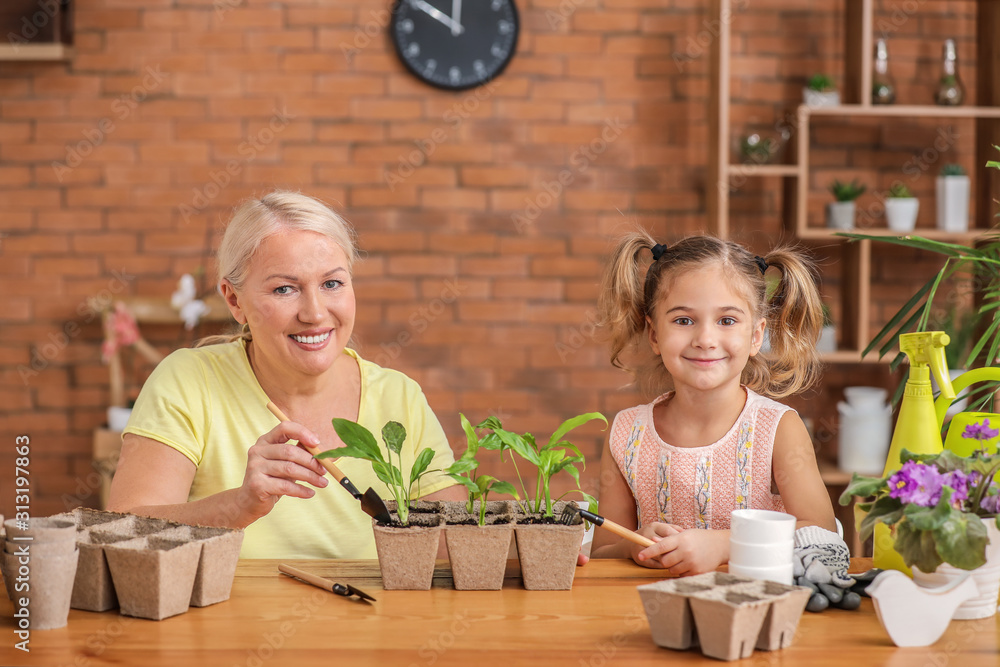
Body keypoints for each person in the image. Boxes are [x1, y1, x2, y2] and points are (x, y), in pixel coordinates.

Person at [108, 191, 463, 558]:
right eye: (284, 289)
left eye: (332, 284)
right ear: (234, 301)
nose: (314, 313)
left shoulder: (398, 396)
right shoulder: (188, 381)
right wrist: (238, 507)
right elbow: (121, 533)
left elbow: (454, 548)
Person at [590, 232, 847, 578]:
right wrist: (634, 545)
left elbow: (823, 535)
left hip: (758, 613)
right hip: (655, 615)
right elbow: (604, 550)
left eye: (727, 321)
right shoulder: (626, 434)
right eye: (683, 320)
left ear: (756, 336)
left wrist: (726, 545)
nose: (705, 340)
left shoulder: (778, 428)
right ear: (654, 335)